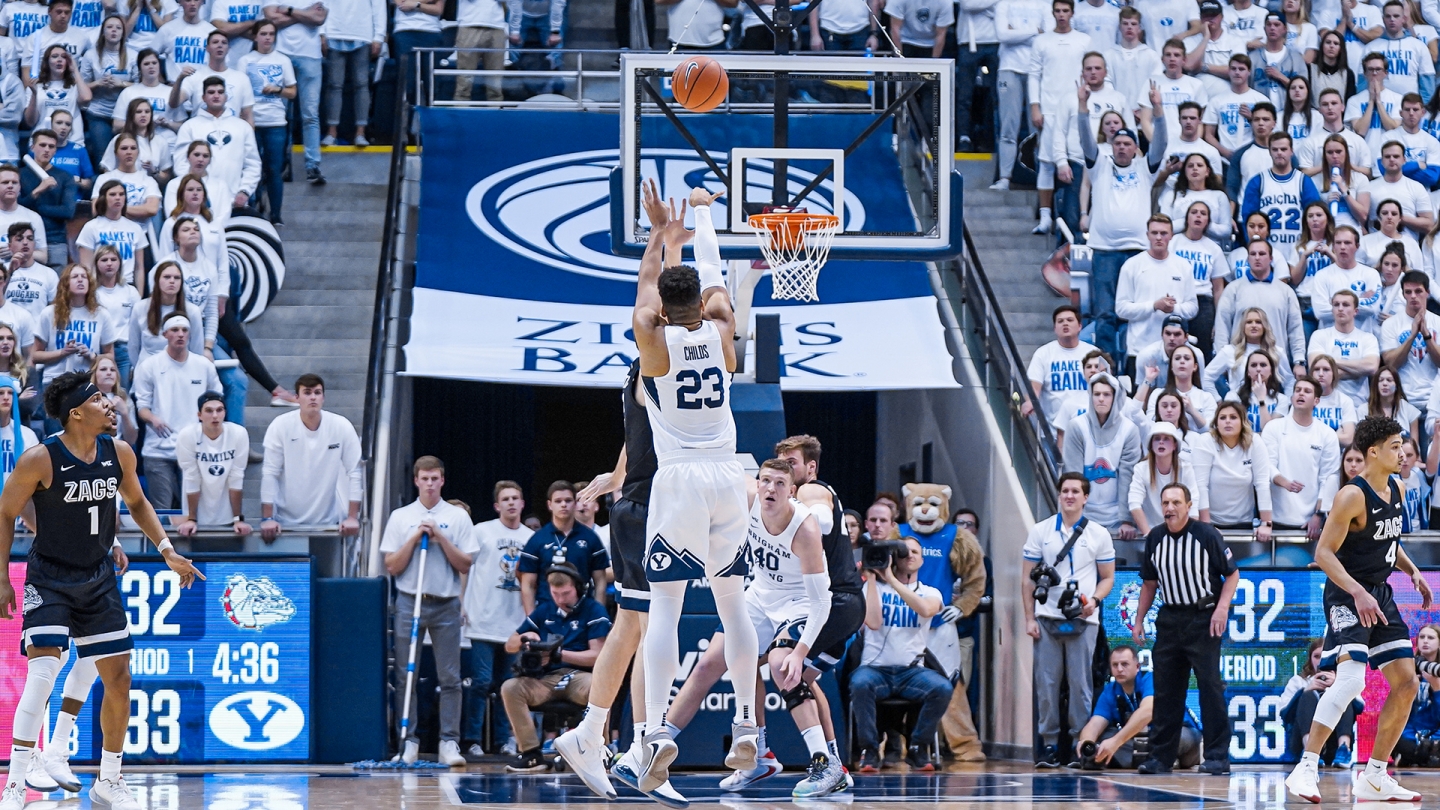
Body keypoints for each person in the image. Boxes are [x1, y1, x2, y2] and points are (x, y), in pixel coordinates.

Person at [0, 371, 201, 810]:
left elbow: (138, 503)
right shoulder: (41, 457)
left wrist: (167, 550)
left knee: (118, 676)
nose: (110, 405)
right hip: (50, 577)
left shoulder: (119, 452)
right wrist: (0, 577)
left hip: (98, 577)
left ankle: (109, 779)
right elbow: (4, 513)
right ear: (76, 413)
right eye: (99, 399)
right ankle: (16, 782)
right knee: (42, 672)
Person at [629, 181, 758, 799]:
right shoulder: (722, 332)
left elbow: (645, 294)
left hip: (677, 479)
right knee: (733, 607)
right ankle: (748, 726)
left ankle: (656, 732)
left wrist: (661, 232)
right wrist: (703, 219)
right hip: (730, 476)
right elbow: (714, 282)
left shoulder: (653, 344)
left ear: (661, 307)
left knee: (667, 610)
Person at [1285, 416, 1431, 802]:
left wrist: (1412, 570)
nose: (1403, 452)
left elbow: (1386, 541)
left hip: (1378, 592)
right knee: (1350, 681)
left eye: (1403, 446)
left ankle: (1375, 776)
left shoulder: (1397, 486)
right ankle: (1306, 767)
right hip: (1346, 593)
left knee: (1406, 682)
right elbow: (1324, 552)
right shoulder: (1352, 494)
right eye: (1396, 446)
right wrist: (1357, 592)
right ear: (1374, 452)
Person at [1131, 482, 1240, 774]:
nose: (1170, 508)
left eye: (1176, 502)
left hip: (1203, 617)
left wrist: (1222, 608)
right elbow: (1149, 584)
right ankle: (1160, 757)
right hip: (1170, 619)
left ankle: (1217, 756)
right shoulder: (1154, 538)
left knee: (1210, 688)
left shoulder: (1206, 534)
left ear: (1188, 506)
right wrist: (1139, 619)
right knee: (1166, 692)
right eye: (1165, 503)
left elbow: (1232, 574)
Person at [379, 455, 475, 767]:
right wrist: (415, 537)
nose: (430, 484)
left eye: (435, 479)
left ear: (442, 480)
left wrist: (440, 537)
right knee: (407, 673)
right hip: (410, 600)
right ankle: (409, 741)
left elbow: (465, 563)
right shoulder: (401, 516)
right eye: (425, 479)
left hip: (446, 603)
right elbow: (392, 565)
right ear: (416, 481)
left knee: (450, 676)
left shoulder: (457, 517)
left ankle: (449, 741)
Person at [1024, 471, 1115, 767]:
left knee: (1080, 685)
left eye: (1075, 491)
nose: (1069, 496)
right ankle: (1049, 745)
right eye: (1065, 491)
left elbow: (1107, 578)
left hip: (1084, 618)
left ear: (1086, 497)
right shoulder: (1040, 530)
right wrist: (1029, 618)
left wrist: (1095, 602)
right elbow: (1027, 579)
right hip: (1047, 616)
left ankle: (1081, 742)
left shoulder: (1099, 534)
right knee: (1047, 684)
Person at [851, 535, 950, 772]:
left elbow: (926, 610)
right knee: (859, 684)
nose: (910, 555)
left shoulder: (930, 592)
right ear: (895, 556)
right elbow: (873, 623)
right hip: (875, 670)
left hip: (911, 672)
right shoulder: (871, 587)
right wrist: (874, 580)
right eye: (905, 551)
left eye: (916, 552)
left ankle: (917, 747)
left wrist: (893, 581)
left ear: (922, 560)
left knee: (942, 688)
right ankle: (871, 750)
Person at [501, 560, 611, 773]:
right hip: (545, 679)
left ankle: (599, 751)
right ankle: (531, 754)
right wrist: (526, 637)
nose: (560, 599)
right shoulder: (544, 610)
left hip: (579, 676)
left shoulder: (593, 609)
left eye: (566, 593)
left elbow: (598, 656)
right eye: (555, 593)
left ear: (577, 588)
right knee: (510, 687)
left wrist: (558, 654)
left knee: (601, 686)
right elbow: (509, 646)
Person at [1080, 114, 1172, 364]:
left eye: (1127, 144)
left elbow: (1162, 144)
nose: (1121, 147)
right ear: (1111, 146)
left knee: (1142, 310)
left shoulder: (1145, 169)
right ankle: (1106, 365)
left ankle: (1139, 362)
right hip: (1104, 250)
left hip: (1139, 252)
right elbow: (1085, 140)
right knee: (1105, 313)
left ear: (1135, 149)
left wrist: (1158, 112)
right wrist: (1081, 109)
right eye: (1117, 143)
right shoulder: (1099, 166)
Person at [460, 481, 530, 761]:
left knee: (508, 685)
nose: (511, 503)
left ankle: (505, 739)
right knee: (480, 681)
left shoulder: (530, 537)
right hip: (483, 620)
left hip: (514, 625)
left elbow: (532, 582)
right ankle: (471, 740)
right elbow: (465, 567)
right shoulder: (482, 531)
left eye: (516, 498)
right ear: (497, 505)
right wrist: (460, 601)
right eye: (506, 499)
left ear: (523, 504)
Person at [259, 373, 362, 541]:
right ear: (297, 398)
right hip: (285, 524)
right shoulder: (280, 426)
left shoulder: (341, 426)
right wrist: (268, 518)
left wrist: (352, 517)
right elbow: (270, 472)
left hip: (329, 523)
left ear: (323, 398)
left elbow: (355, 472)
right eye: (307, 393)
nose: (313, 397)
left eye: (317, 392)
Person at [130, 312, 217, 508]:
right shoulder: (149, 366)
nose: (180, 334)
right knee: (162, 514)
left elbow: (216, 402)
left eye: (185, 330)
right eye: (175, 330)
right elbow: (142, 407)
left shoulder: (204, 366)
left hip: (195, 450)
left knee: (194, 514)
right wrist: (153, 419)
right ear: (165, 334)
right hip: (158, 451)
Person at [1075, 645, 1202, 770]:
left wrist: (1116, 742)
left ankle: (1149, 758)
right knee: (1104, 737)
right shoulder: (1110, 690)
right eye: (1115, 665)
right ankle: (1160, 760)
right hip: (1141, 741)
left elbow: (1148, 712)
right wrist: (1087, 744)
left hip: (1179, 733)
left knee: (1172, 737)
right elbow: (1095, 723)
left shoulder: (1151, 678)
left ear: (1137, 667)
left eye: (1124, 664)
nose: (1119, 669)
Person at [1027, 0, 1092, 235]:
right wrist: (1036, 106)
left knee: (1076, 161)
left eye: (1066, 11)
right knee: (1045, 162)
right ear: (1052, 13)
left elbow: (1090, 73)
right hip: (1049, 109)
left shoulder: (1084, 40)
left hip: (1076, 109)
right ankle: (1045, 217)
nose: (1062, 15)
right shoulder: (1041, 41)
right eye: (1058, 11)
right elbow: (1034, 75)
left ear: (1072, 13)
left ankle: (1076, 214)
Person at [1115, 215, 1199, 370]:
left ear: (1172, 235)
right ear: (1147, 235)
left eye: (1164, 233)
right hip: (1139, 349)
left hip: (1175, 352)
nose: (1159, 238)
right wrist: (1153, 306)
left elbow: (1193, 308)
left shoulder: (1183, 266)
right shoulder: (1132, 265)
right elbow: (1121, 309)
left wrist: (1174, 309)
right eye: (1154, 233)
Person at [1213, 240, 1308, 377]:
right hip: (1240, 366)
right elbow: (1222, 326)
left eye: (1262, 254)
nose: (1257, 257)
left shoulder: (1286, 291)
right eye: (1253, 254)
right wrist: (1222, 359)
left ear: (1271, 258)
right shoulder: (1233, 289)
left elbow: (1295, 328)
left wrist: (1299, 361)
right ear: (1247, 259)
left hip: (1277, 364)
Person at [1063, 372, 1142, 535]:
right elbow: (1073, 475)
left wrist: (1126, 519)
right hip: (1083, 515)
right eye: (1096, 394)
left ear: (1115, 397)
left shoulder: (1129, 430)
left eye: (1106, 394)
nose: (1101, 399)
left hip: (1116, 518)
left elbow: (1128, 476)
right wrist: (1073, 515)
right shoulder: (1076, 426)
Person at [261, 0, 325, 185]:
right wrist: (306, 14)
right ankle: (280, 166)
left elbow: (319, 18)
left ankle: (313, 165)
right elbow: (271, 20)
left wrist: (288, 11)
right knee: (278, 115)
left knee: (310, 115)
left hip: (311, 56)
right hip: (280, 55)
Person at [518, 481, 607, 613]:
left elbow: (600, 582)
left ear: (575, 504)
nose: (563, 505)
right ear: (550, 505)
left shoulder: (591, 538)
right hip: (546, 613)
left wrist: (599, 617)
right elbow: (527, 585)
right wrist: (532, 622)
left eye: (568, 500)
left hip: (582, 614)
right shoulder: (537, 539)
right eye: (558, 501)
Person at [991, 0, 1053, 190]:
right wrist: (1036, 31)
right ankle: (1004, 178)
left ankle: (1041, 178)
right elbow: (1002, 34)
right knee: (1008, 126)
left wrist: (1015, 33)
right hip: (1009, 67)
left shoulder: (1045, 4)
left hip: (1037, 69)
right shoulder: (1004, 4)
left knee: (1037, 127)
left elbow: (1049, 34)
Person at [170, 79, 259, 213]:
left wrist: (245, 191)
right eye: (211, 92)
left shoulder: (242, 127)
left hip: (235, 202)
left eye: (220, 92)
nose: (216, 96)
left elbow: (253, 164)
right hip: (199, 204)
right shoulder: (189, 126)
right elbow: (180, 163)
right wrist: (196, 192)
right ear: (203, 98)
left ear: (226, 97)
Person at [237, 20, 294, 225]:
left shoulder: (283, 61)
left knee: (274, 169)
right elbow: (240, 92)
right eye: (263, 34)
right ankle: (252, 207)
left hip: (276, 121)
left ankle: (276, 213)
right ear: (255, 36)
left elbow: (293, 91)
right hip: (251, 122)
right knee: (251, 167)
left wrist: (277, 90)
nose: (268, 38)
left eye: (271, 34)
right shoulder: (245, 60)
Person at [172, 390, 248, 535]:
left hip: (227, 517)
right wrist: (192, 519)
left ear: (225, 413)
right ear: (199, 415)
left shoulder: (239, 434)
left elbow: (236, 477)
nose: (215, 416)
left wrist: (238, 519)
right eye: (209, 411)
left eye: (219, 410)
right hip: (195, 518)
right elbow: (191, 478)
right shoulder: (187, 435)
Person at [1242, 132, 1324, 265]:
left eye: (1284, 149)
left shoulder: (1304, 181)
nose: (1279, 153)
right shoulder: (1257, 182)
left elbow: (1315, 218)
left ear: (1292, 151)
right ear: (1269, 152)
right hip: (1267, 253)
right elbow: (1248, 220)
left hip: (1298, 250)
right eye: (1275, 149)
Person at [1194, 399, 1276, 532]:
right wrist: (1206, 526)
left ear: (1242, 422)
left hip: (1245, 521)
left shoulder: (1255, 441)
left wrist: (1266, 524)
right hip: (1212, 522)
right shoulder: (1205, 441)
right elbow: (1200, 485)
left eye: (1233, 417)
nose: (1227, 421)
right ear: (1216, 423)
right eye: (1222, 418)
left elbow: (1262, 483)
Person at [1281, 639, 1359, 765]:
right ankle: (1309, 750)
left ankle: (1344, 749)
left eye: (1325, 656)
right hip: (1300, 742)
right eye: (1317, 656)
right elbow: (1285, 715)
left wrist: (1337, 686)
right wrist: (1304, 691)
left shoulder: (1343, 680)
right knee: (1307, 695)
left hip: (1333, 744)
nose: (1321, 660)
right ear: (1310, 659)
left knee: (1343, 696)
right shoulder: (1298, 681)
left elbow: (1360, 708)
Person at [1025, 304, 1096, 433]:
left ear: (1080, 326)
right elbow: (1034, 389)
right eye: (1060, 321)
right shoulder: (1043, 354)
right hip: (1053, 431)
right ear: (1055, 328)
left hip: (1089, 430)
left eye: (1069, 320)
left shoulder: (1093, 353)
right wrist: (1030, 402)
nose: (1065, 324)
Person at [1381, 270, 1440, 417]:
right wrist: (1412, 335)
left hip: (1434, 401)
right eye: (1408, 292)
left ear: (1427, 292)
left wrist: (1426, 335)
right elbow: (1391, 364)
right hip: (1402, 400)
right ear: (1403, 294)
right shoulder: (1390, 324)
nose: (1413, 296)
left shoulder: (1438, 323)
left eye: (1418, 291)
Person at [1310, 288, 1382, 406]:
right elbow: (1315, 368)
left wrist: (1330, 363)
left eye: (1346, 305)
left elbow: (1372, 367)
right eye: (1336, 305)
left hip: (1358, 404)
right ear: (1332, 310)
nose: (1340, 308)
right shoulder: (1319, 335)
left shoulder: (1368, 338)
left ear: (1355, 311)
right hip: (1325, 404)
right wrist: (1358, 370)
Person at [322, 0, 384, 131]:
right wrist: (322, 33)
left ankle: (360, 133)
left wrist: (379, 37)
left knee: (361, 84)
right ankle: (331, 132)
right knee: (334, 85)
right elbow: (322, 3)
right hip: (333, 32)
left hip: (362, 34)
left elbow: (379, 7)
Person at [168, 30, 254, 123]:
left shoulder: (241, 78)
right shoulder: (194, 76)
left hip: (231, 132)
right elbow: (174, 104)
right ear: (207, 48)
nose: (220, 45)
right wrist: (179, 79)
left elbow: (248, 115)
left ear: (228, 49)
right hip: (200, 131)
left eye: (224, 43)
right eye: (215, 42)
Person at [1129, 422, 1200, 533]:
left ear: (1175, 445)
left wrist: (1187, 535)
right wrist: (1149, 535)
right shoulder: (1141, 468)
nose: (1161, 442)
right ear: (1151, 445)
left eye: (1166, 439)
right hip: (1151, 530)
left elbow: (1193, 505)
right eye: (1157, 439)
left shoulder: (1186, 468)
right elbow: (1134, 504)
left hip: (1181, 531)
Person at [128, 260, 201, 368]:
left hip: (179, 370)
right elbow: (133, 347)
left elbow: (197, 351)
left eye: (177, 278)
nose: (172, 281)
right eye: (167, 277)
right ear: (157, 280)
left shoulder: (193, 311)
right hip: (147, 371)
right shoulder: (140, 308)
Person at [19, 132, 75, 269]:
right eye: (42, 145)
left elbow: (68, 211)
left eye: (51, 146)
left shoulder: (65, 176)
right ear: (32, 147)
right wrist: (38, 190)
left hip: (55, 240)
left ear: (56, 150)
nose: (47, 149)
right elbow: (17, 207)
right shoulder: (19, 174)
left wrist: (37, 208)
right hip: (25, 240)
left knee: (58, 288)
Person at [1203, 54, 1269, 161]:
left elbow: (1270, 131)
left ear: (1249, 72)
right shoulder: (1216, 100)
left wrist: (1252, 118)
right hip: (1225, 159)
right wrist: (1225, 152)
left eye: (1241, 69)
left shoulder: (1261, 100)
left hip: (1254, 157)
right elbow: (1208, 135)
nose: (1237, 72)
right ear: (1229, 71)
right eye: (1233, 69)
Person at [91, 244, 136, 383]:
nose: (109, 264)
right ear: (96, 264)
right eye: (104, 260)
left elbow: (138, 325)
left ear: (120, 264)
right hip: (98, 350)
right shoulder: (91, 293)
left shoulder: (131, 291)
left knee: (122, 394)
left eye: (113, 259)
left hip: (124, 349)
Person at [1228, 349, 1291, 430]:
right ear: (1248, 372)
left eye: (1263, 365)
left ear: (1271, 371)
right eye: (1253, 365)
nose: (1258, 369)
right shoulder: (1233, 396)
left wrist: (1261, 399)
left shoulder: (1282, 400)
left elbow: (1269, 430)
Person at [155, 0, 216, 82]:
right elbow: (149, 55)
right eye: (188, 0)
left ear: (202, 2)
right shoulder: (167, 29)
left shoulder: (211, 32)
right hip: (174, 86)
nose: (192, 4)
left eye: (196, 0)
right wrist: (160, 81)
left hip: (202, 87)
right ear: (180, 2)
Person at [1310, 353, 1361, 444]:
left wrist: (1313, 436)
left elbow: (1348, 439)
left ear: (1334, 374)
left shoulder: (1345, 401)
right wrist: (1335, 435)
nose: (1321, 374)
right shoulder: (1303, 399)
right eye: (1317, 369)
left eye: (1326, 370)